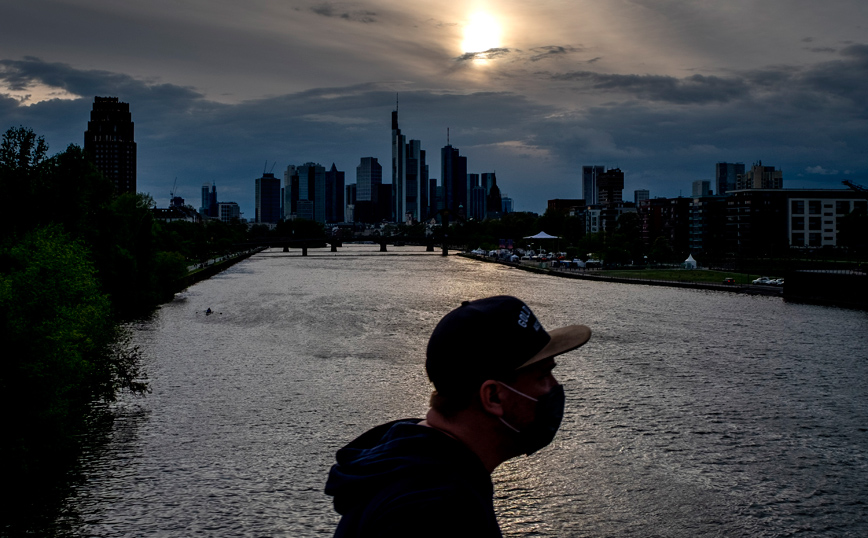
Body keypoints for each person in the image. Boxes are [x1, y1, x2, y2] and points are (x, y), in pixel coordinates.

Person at [325, 295, 592, 537]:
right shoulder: (437, 513)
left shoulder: (409, 462)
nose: (555, 387)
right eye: (543, 375)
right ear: (494, 396)